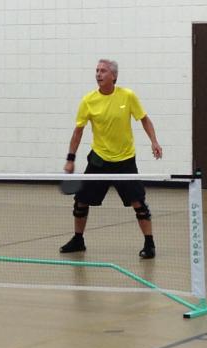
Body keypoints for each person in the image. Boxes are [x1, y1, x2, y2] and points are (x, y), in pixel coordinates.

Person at [60, 59, 163, 259]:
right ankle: (78, 240)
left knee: (138, 203)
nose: (98, 74)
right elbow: (78, 132)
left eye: (103, 71)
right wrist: (70, 158)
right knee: (81, 201)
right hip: (99, 160)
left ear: (114, 76)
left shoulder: (128, 96)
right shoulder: (88, 100)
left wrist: (154, 142)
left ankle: (149, 244)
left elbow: (144, 119)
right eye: (97, 71)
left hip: (125, 160)